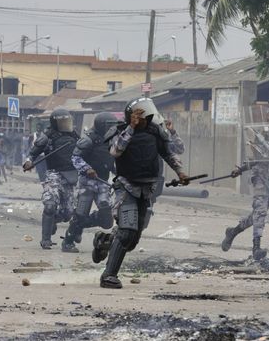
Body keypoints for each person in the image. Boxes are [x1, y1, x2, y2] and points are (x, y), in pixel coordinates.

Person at [92, 98, 187, 288]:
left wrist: (180, 171)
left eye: (145, 115)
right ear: (131, 116)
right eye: (138, 115)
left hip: (146, 188)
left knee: (132, 239)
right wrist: (131, 129)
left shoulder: (154, 132)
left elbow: (168, 153)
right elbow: (116, 151)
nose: (143, 118)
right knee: (127, 231)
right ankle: (108, 276)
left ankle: (105, 240)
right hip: (126, 187)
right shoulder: (119, 131)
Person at [221, 109, 269, 261]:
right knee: (261, 211)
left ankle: (233, 232)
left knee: (257, 214)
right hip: (260, 178)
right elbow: (255, 157)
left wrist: (261, 139)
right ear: (267, 118)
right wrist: (240, 169)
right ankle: (256, 248)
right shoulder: (261, 135)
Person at [62, 112, 121, 253]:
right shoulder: (88, 140)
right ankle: (68, 242)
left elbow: (112, 161)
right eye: (108, 126)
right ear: (101, 125)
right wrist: (87, 168)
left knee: (107, 219)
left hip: (102, 183)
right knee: (80, 213)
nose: (111, 129)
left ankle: (79, 226)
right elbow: (75, 158)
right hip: (87, 183)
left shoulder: (113, 140)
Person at [23, 108, 80, 250]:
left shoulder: (74, 136)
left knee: (68, 213)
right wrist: (29, 161)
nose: (66, 124)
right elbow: (32, 153)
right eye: (62, 122)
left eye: (67, 121)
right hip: (54, 174)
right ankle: (46, 239)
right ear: (55, 123)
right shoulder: (47, 137)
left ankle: (53, 221)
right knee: (50, 206)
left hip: (71, 175)